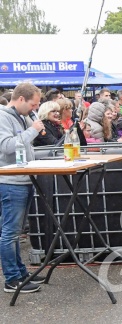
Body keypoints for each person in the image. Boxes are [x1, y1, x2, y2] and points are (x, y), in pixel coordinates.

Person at [0, 83, 46, 293]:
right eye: (33, 104)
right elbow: (8, 146)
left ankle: (21, 274)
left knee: (16, 232)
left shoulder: (21, 116)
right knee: (10, 233)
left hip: (23, 179)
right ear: (20, 99)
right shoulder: (3, 117)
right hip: (11, 182)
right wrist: (32, 131)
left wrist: (31, 129)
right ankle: (11, 279)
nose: (34, 109)